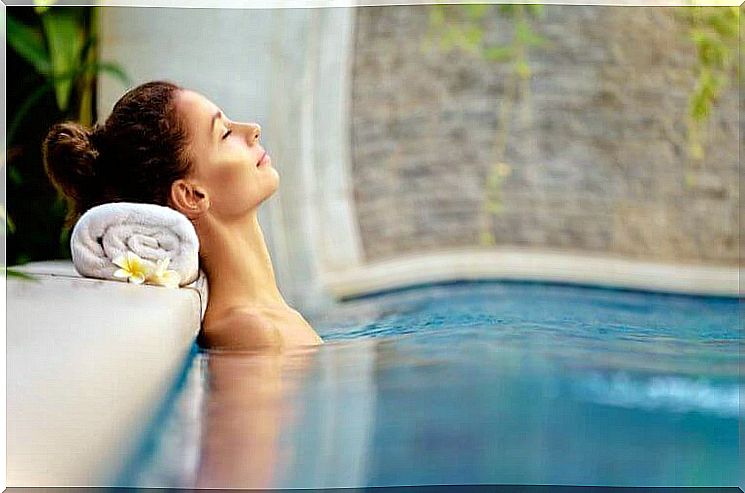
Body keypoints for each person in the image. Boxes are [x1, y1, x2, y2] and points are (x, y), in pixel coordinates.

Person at [42, 80, 323, 350]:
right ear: (192, 195)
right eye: (224, 134)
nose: (252, 130)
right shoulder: (247, 331)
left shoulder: (273, 319)